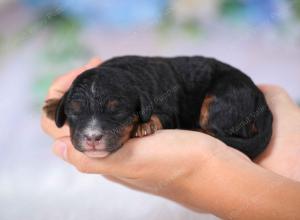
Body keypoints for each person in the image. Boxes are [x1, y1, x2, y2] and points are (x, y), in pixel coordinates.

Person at [41, 58, 300, 219]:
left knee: (218, 106)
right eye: (75, 113)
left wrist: (207, 171)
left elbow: (164, 112)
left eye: (116, 111)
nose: (92, 133)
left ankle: (224, 136)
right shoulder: (117, 86)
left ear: (141, 105)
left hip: (224, 86)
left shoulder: (149, 96)